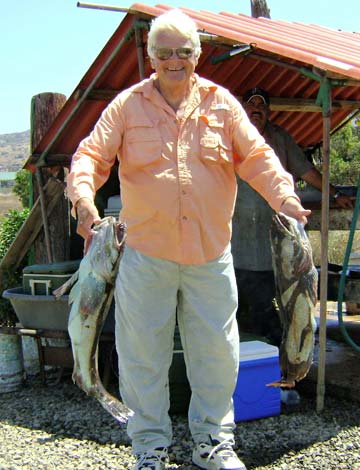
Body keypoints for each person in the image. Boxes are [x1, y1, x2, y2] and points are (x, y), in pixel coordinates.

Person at [66, 11, 311, 470]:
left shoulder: (223, 104)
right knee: (142, 355)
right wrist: (83, 200)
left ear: (198, 54)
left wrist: (286, 199)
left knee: (217, 354)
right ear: (150, 57)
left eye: (183, 51)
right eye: (164, 52)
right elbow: (91, 155)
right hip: (144, 254)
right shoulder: (126, 105)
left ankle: (213, 444)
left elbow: (257, 156)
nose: (173, 59)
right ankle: (149, 448)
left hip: (210, 256)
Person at [232, 87, 354, 346]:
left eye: (261, 106)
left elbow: (307, 171)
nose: (256, 109)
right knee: (236, 312)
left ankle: (280, 362)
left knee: (270, 309)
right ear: (242, 109)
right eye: (251, 104)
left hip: (273, 247)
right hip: (235, 246)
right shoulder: (228, 137)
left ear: (268, 112)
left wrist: (332, 195)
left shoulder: (280, 139)